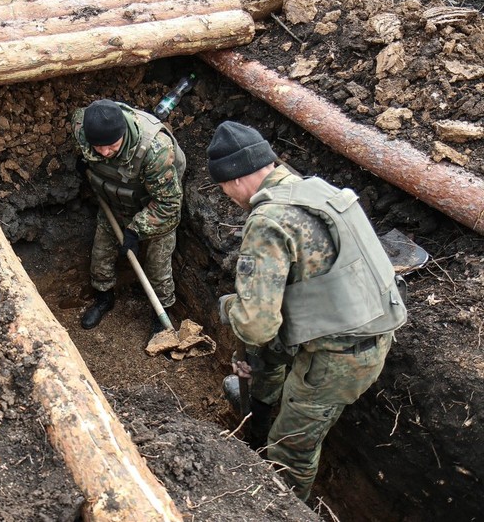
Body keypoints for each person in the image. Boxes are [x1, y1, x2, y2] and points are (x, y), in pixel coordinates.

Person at [208, 121, 407, 501]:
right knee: (270, 355)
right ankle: (259, 412)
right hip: (364, 318)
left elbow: (255, 328)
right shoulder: (317, 190)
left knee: (289, 449)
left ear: (234, 181)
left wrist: (229, 306)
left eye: (222, 188)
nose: (226, 196)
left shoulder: (268, 221)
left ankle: (280, 505)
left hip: (342, 355)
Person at [71, 99, 185, 336]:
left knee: (157, 267)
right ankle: (104, 297)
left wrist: (135, 231)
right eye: (97, 147)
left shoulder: (155, 150)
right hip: (114, 202)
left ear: (123, 132)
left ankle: (161, 314)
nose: (103, 152)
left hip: (156, 207)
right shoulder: (82, 126)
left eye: (111, 146)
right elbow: (86, 145)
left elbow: (169, 204)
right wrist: (85, 163)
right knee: (100, 256)